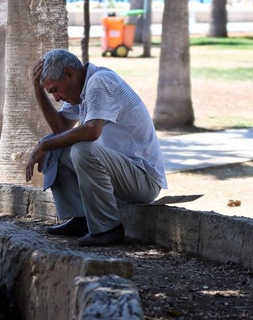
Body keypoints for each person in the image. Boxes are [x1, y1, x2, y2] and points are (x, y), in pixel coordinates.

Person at [24, 48, 166, 246]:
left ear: (69, 74)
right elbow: (61, 130)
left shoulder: (99, 82)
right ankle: (82, 218)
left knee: (81, 149)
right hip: (121, 175)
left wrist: (44, 145)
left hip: (143, 181)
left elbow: (92, 131)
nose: (56, 98)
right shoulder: (80, 89)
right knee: (58, 146)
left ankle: (108, 228)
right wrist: (38, 91)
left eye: (55, 90)